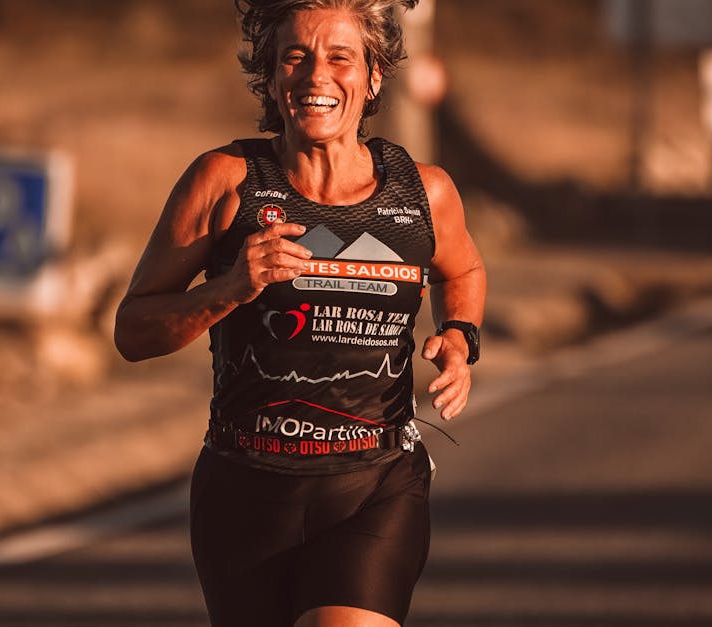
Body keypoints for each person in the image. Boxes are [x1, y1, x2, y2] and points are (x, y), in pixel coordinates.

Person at [115, 1, 486, 625]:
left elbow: (464, 270)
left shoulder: (424, 190)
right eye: (296, 56)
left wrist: (459, 334)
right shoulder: (225, 181)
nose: (317, 76)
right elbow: (133, 331)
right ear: (270, 75)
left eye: (340, 57)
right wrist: (230, 288)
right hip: (242, 492)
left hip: (375, 484)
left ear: (373, 76)